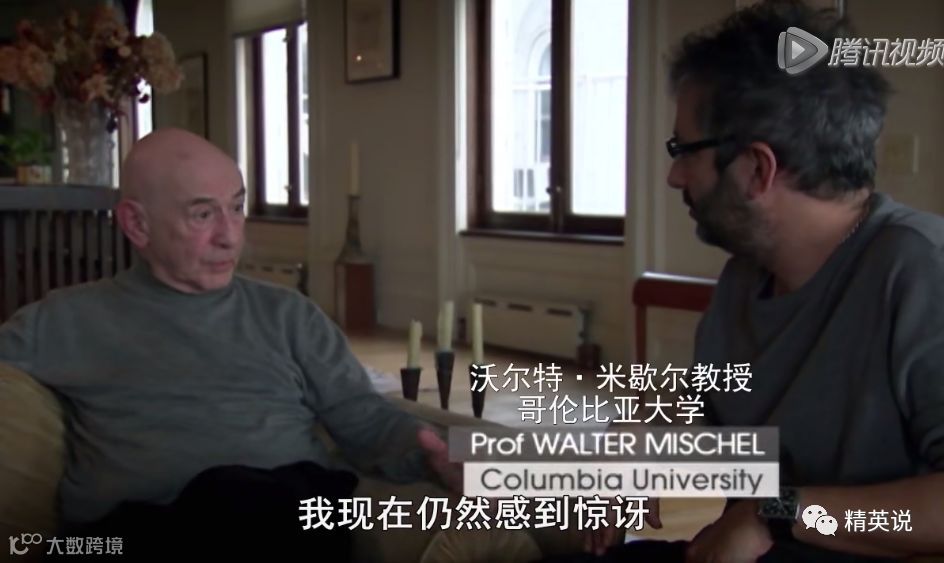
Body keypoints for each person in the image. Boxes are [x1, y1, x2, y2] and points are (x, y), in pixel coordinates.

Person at [565, 1, 944, 562]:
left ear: (757, 169)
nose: (673, 175)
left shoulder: (921, 269)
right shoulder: (747, 275)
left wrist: (778, 512)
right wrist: (635, 443)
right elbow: (705, 408)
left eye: (683, 150)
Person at [0, 128, 460, 561]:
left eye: (236, 207)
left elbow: (362, 416)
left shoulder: (289, 315)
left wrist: (433, 453)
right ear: (136, 224)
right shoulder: (66, 319)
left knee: (254, 497)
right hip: (128, 538)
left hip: (283, 518)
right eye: (203, 214)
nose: (230, 235)